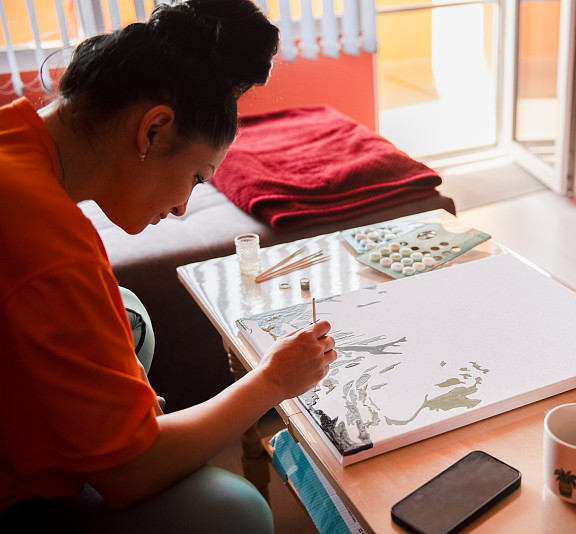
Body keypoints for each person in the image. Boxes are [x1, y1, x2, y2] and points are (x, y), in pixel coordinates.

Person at [0, 1, 336, 532]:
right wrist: (273, 380)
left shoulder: (13, 138)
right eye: (198, 177)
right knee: (234, 508)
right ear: (153, 130)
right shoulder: (51, 243)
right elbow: (130, 475)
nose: (182, 207)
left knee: (129, 314)